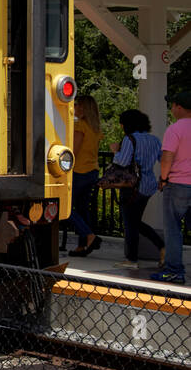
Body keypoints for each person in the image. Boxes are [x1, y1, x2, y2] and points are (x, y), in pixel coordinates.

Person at [111, 109, 164, 270]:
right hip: (148, 186)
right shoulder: (154, 140)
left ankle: (133, 259)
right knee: (134, 222)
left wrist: (115, 151)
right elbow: (163, 159)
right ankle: (162, 248)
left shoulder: (130, 139)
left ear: (127, 124)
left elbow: (122, 162)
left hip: (131, 186)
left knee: (130, 223)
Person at [154, 91, 191, 284]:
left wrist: (163, 178)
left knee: (173, 229)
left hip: (177, 185)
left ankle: (174, 271)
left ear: (178, 106)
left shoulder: (175, 129)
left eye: (173, 105)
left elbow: (167, 156)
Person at [67, 94, 103, 256]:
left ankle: (89, 235)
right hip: (93, 171)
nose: (73, 108)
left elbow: (73, 151)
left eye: (76, 105)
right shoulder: (95, 128)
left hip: (78, 171)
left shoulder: (80, 126)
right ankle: (82, 246)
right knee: (82, 209)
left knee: (65, 208)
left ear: (82, 108)